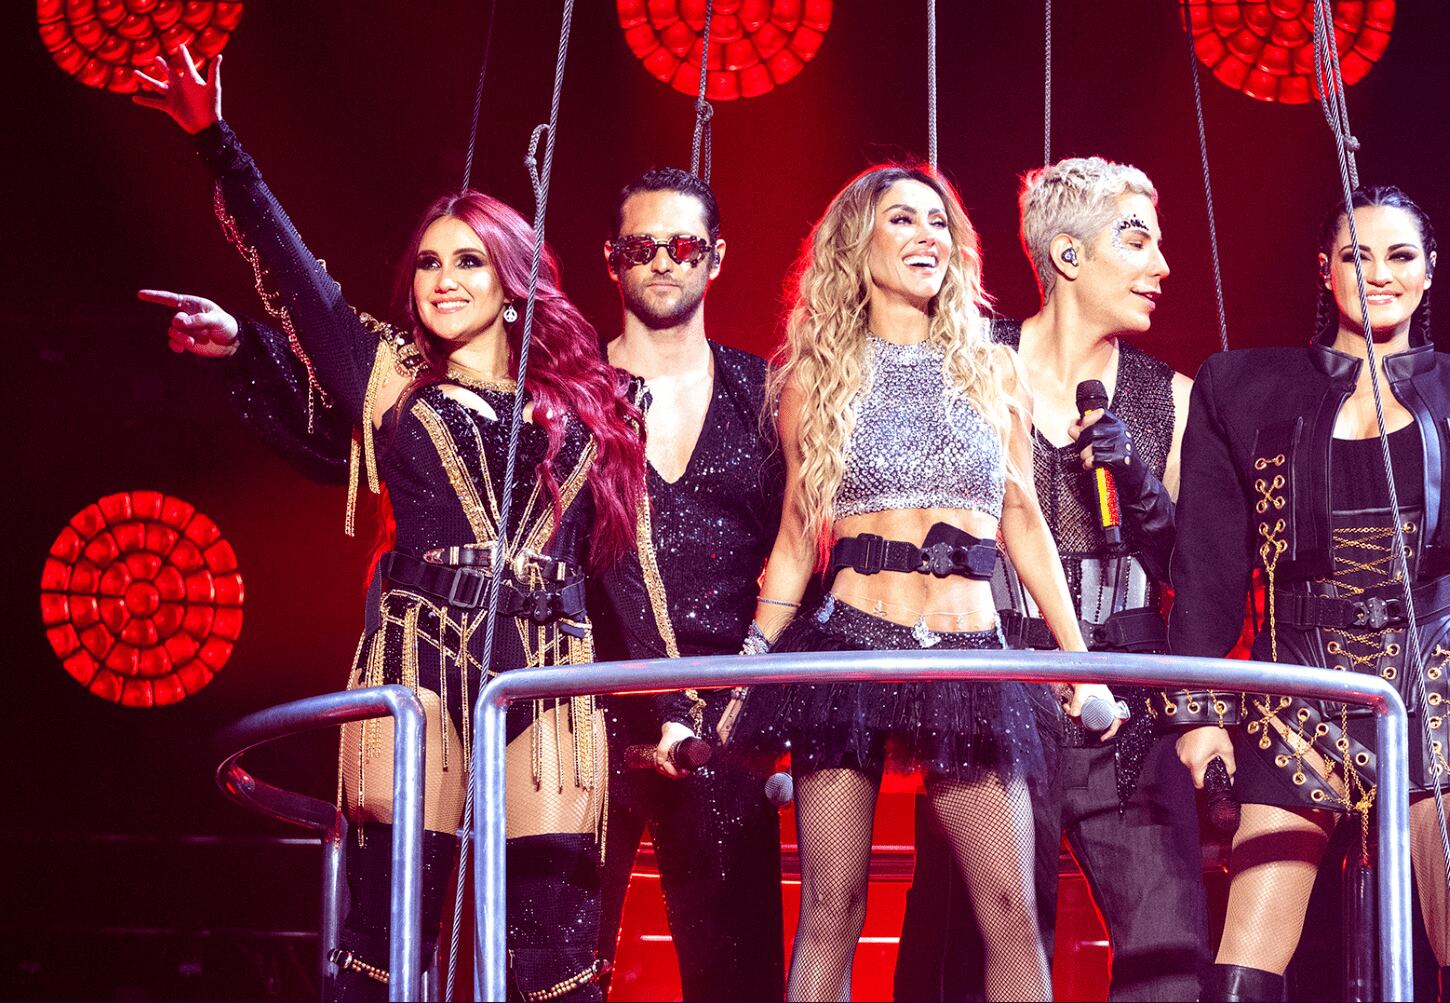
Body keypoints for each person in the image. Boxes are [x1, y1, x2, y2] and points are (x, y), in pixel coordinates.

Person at [133, 47, 646, 1001]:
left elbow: (624, 561)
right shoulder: (390, 380)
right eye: (427, 263)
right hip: (422, 660)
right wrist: (216, 141)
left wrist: (674, 701)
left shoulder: (597, 400)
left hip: (553, 660)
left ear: (512, 278)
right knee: (389, 931)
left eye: (468, 260)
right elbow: (299, 280)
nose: (444, 279)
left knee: (553, 948)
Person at [1167, 185, 1450, 1002]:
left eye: (1399, 255)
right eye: (1355, 255)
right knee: (1246, 956)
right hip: (1299, 681)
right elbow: (1205, 568)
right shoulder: (1240, 388)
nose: (1377, 273)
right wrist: (1197, 710)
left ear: (1429, 273)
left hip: (1439, 678)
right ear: (1324, 271)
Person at [729, 164, 1123, 1002]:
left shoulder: (996, 369)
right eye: (903, 219)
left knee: (1012, 907)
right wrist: (755, 654)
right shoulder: (817, 377)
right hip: (849, 648)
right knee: (830, 907)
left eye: (939, 223)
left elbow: (1025, 524)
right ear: (857, 245)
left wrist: (1077, 659)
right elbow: (799, 535)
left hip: (967, 656)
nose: (927, 237)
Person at [894, 156, 1211, 1002]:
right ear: (1068, 256)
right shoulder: (966, 362)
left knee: (1173, 959)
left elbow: (1204, 576)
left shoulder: (1172, 398)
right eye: (1137, 241)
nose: (1162, 267)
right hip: (996, 696)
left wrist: (1144, 493)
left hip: (1127, 711)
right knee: (981, 953)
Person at [587, 167, 786, 1002]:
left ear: (716, 259)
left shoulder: (765, 394)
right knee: (556, 973)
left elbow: (802, 554)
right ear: (612, 260)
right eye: (644, 246)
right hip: (583, 719)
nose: (664, 261)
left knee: (735, 982)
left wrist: (761, 704)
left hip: (728, 726)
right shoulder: (569, 394)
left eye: (684, 245)